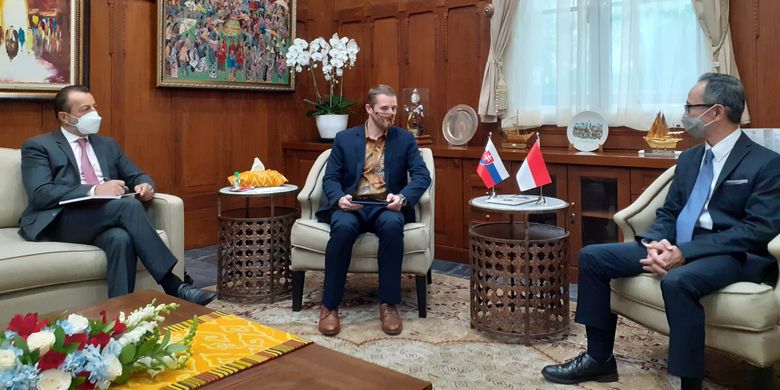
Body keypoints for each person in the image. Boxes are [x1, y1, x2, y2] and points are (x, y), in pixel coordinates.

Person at [541, 73, 780, 389]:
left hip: (728, 253)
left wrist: (685, 253)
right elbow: (670, 211)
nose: (685, 115)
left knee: (679, 282)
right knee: (593, 258)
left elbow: (757, 229)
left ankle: (689, 384)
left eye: (690, 107)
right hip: (676, 243)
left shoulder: (766, 163)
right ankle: (599, 360)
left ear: (716, 112)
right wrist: (656, 243)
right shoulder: (691, 158)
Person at [18, 85, 216, 305]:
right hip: (61, 219)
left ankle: (119, 315)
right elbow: (39, 193)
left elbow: (137, 174)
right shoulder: (39, 146)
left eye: (95, 106)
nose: (94, 113)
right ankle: (174, 284)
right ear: (65, 117)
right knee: (128, 207)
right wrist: (93, 190)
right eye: (85, 109)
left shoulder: (107, 145)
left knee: (120, 239)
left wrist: (144, 185)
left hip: (102, 216)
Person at [315, 84, 431, 337]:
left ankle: (389, 305)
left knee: (392, 226)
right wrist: (339, 199)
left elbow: (422, 176)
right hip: (352, 204)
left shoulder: (404, 139)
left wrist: (402, 198)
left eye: (394, 108)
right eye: (384, 108)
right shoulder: (345, 139)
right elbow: (331, 178)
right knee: (343, 229)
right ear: (369, 109)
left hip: (386, 204)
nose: (391, 113)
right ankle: (329, 306)